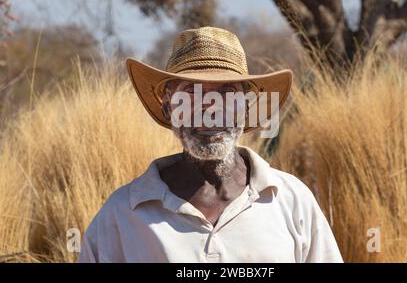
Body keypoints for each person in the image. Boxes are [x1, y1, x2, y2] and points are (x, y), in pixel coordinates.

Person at [78, 26, 343, 263]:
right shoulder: (124, 213)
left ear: (246, 107)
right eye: (191, 93)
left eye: (227, 93)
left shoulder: (290, 200)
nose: (210, 108)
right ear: (169, 107)